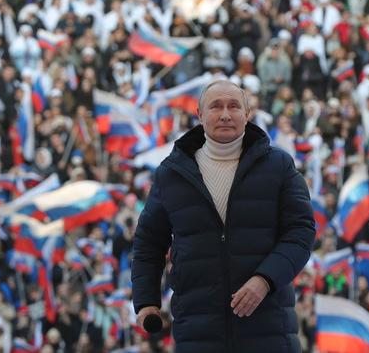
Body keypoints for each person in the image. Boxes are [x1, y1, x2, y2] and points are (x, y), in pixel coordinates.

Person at [132, 80, 315, 352]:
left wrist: (264, 280)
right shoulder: (171, 173)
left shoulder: (279, 165)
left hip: (268, 330)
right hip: (197, 332)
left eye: (234, 106)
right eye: (216, 106)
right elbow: (149, 242)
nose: (226, 114)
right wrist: (147, 301)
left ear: (247, 113)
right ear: (200, 115)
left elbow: (301, 232)